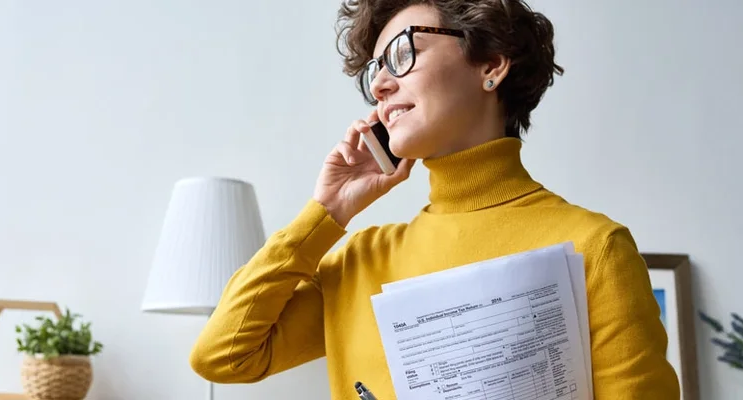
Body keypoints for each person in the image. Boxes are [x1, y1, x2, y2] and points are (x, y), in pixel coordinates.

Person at [188, 0, 680, 398]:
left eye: (402, 54)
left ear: (491, 63)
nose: (380, 84)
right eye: (375, 71)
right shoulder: (364, 259)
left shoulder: (594, 246)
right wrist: (328, 212)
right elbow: (223, 355)